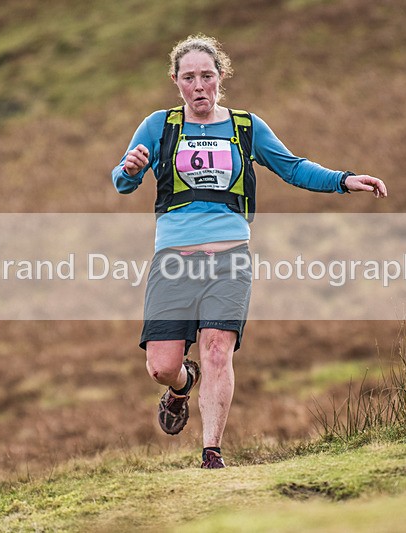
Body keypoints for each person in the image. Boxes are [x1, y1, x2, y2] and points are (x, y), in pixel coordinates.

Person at [111, 34, 387, 469]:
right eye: (189, 78)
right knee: (162, 367)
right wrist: (128, 170)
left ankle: (212, 453)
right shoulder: (159, 126)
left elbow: (293, 167)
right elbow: (123, 180)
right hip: (173, 261)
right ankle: (183, 387)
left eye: (207, 76)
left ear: (221, 78)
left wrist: (344, 180)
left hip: (229, 258)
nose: (199, 85)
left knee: (217, 349)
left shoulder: (246, 127)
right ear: (176, 82)